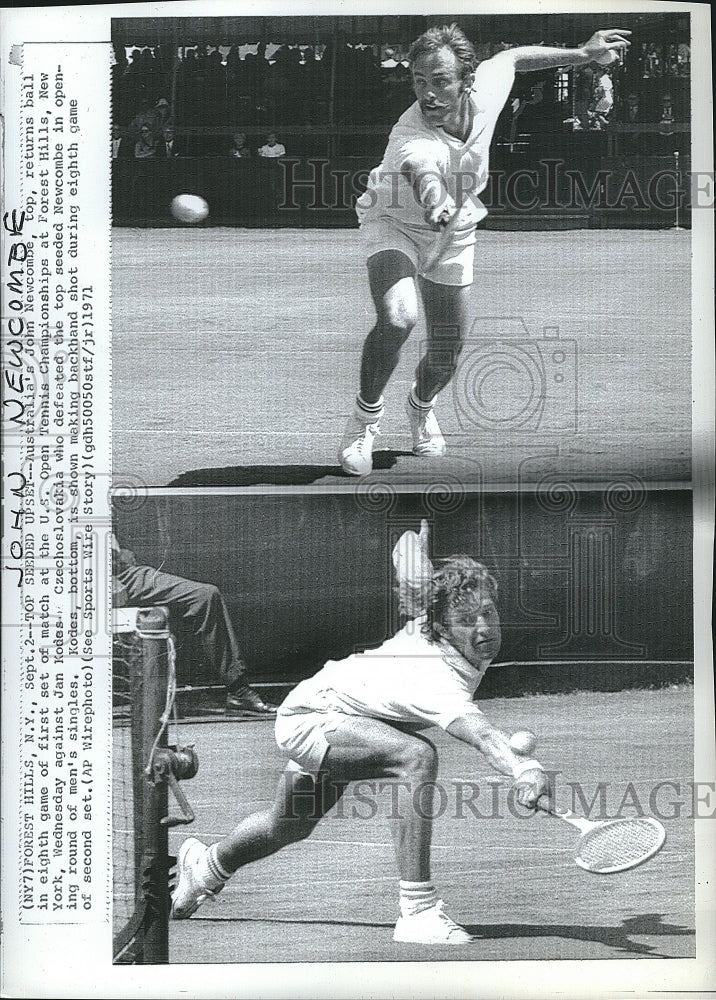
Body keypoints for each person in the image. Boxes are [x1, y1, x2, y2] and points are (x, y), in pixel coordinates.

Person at [171, 523, 553, 944]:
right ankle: (418, 912)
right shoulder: (437, 677)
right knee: (415, 756)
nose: (483, 628)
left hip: (355, 716)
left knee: (288, 824)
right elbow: (480, 733)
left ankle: (204, 866)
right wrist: (524, 768)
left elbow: (411, 564)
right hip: (313, 717)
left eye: (489, 612)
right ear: (441, 628)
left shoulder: (432, 620)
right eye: (466, 620)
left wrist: (417, 555)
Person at [339, 23, 631, 475]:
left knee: (446, 351)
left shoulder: (488, 90)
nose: (428, 94)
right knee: (398, 317)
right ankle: (363, 422)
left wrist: (582, 54)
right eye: (419, 81)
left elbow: (512, 57)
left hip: (454, 228)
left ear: (466, 81)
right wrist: (435, 200)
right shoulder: (409, 134)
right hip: (393, 221)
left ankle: (420, 406)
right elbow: (424, 173)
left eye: (440, 82)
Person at [112, 533, 277, 716]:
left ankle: (238, 691)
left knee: (205, 596)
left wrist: (119, 552)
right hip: (94, 577)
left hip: (120, 570)